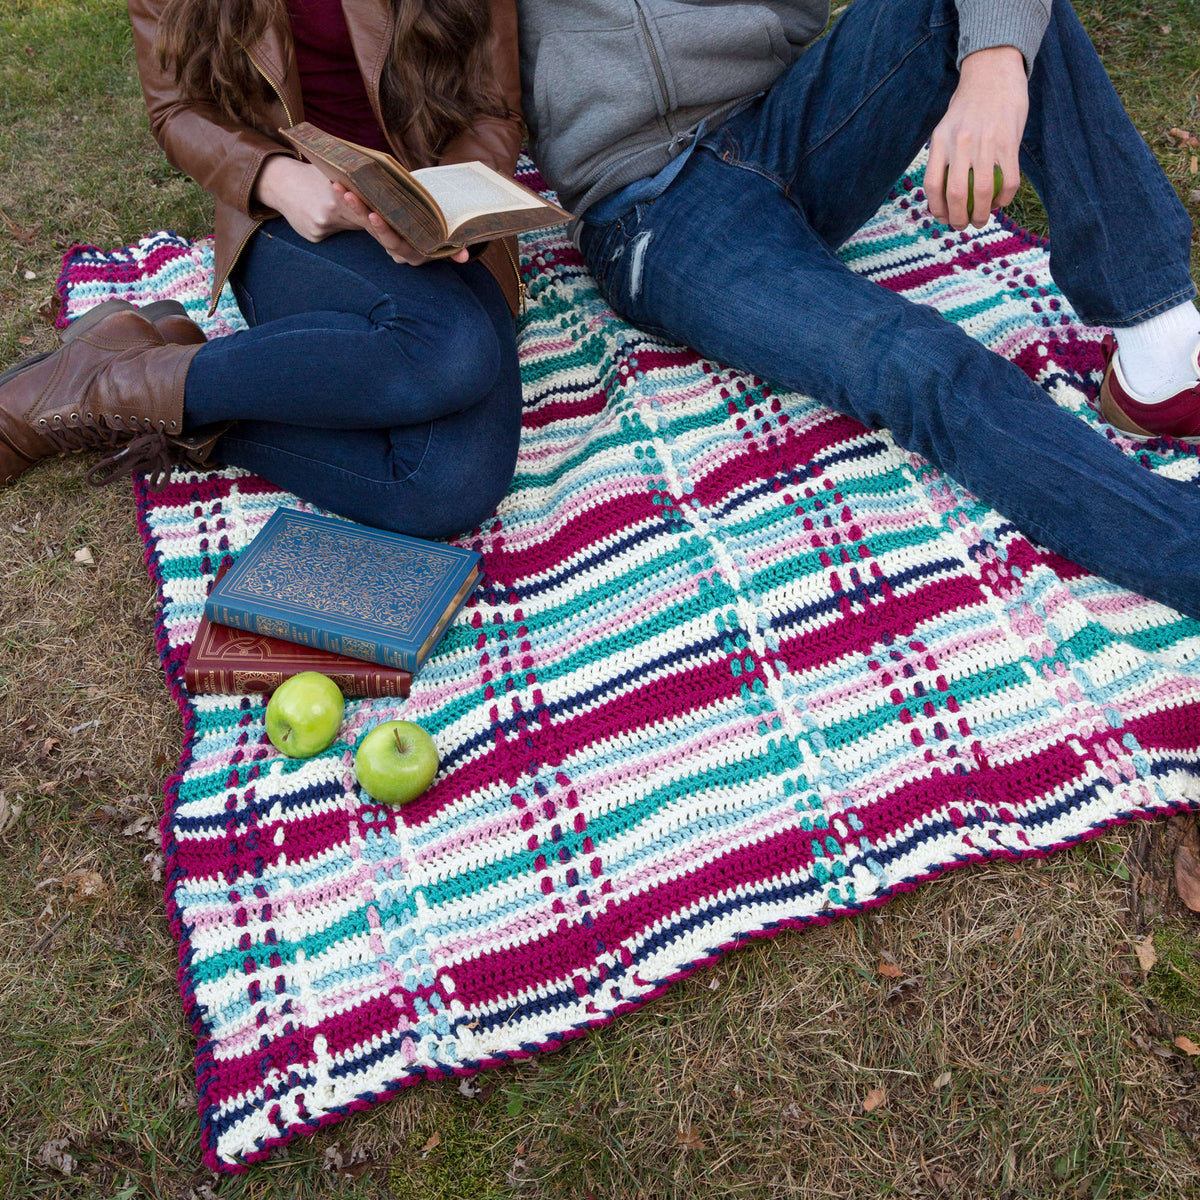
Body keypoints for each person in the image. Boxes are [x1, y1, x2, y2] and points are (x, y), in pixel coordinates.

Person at [514, 0, 1200, 615]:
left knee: (996, 22)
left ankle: (1160, 347)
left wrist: (995, 64)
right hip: (655, 207)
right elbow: (455, 83)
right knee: (919, 366)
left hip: (794, 110)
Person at [0, 0, 525, 540]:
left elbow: (495, 111)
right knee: (449, 346)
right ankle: (110, 387)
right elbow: (176, 109)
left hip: (436, 215)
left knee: (441, 487)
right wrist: (277, 178)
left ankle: (136, 384)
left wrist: (445, 212)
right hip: (286, 215)